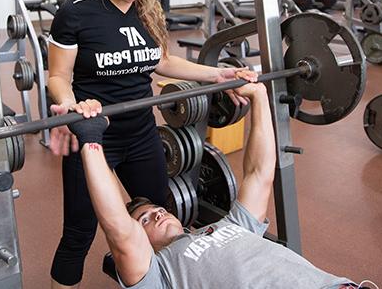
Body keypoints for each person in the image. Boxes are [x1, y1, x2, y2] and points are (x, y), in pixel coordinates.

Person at [47, 0, 255, 288]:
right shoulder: (76, 12)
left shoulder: (146, 8)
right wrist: (70, 106)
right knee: (79, 232)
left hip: (142, 134)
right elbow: (58, 76)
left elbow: (162, 61)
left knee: (162, 220)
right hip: (97, 135)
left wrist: (217, 75)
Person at [65, 80, 358, 288]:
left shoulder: (231, 225)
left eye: (157, 210)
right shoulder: (159, 273)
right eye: (144, 219)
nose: (158, 213)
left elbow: (259, 173)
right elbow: (117, 228)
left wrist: (258, 97)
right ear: (142, 245)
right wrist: (91, 140)